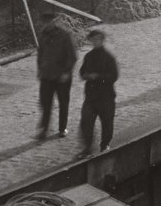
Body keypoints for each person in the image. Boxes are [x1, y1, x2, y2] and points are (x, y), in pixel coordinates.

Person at [34, 11, 78, 141]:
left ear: (55, 22)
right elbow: (40, 54)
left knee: (63, 103)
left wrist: (66, 72)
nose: (48, 24)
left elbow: (72, 57)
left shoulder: (65, 35)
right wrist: (40, 69)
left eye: (50, 22)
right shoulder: (42, 35)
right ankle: (44, 129)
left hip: (62, 77)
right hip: (47, 75)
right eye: (45, 22)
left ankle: (62, 128)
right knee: (45, 103)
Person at [77, 28, 118, 157]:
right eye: (93, 40)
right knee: (86, 122)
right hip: (91, 96)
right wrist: (85, 76)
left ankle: (105, 144)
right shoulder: (88, 56)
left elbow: (114, 76)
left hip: (106, 96)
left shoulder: (108, 57)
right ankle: (87, 147)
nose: (96, 42)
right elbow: (82, 72)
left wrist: (98, 76)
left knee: (107, 122)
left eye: (98, 39)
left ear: (102, 40)